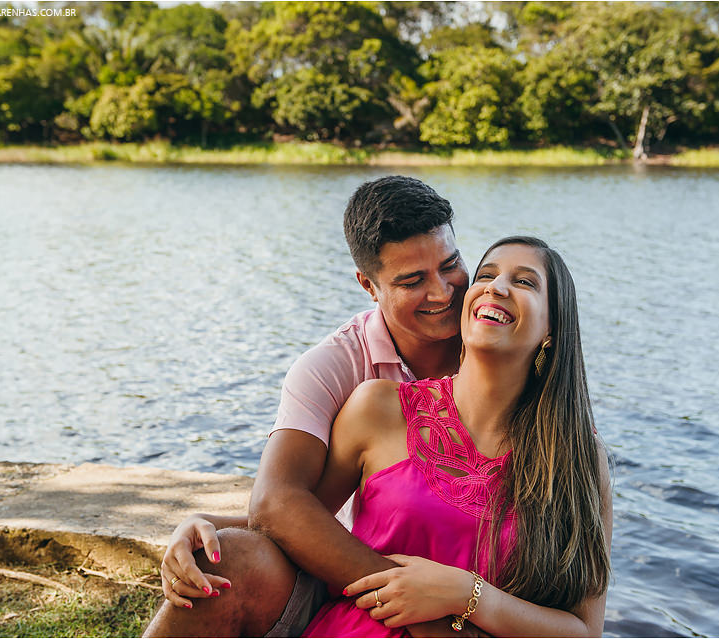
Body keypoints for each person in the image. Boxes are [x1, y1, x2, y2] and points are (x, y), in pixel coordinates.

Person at [144, 175, 473, 637]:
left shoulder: (497, 342)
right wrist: (406, 601)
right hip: (352, 571)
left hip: (474, 573)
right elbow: (278, 501)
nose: (442, 293)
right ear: (368, 284)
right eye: (412, 281)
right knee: (227, 562)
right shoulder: (330, 366)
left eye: (451, 264)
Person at [302, 236, 612, 636]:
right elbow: (300, 522)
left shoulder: (576, 455)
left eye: (524, 282)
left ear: (551, 328)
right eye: (486, 275)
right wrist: (205, 528)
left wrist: (469, 594)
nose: (496, 287)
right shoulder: (378, 408)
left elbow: (584, 631)